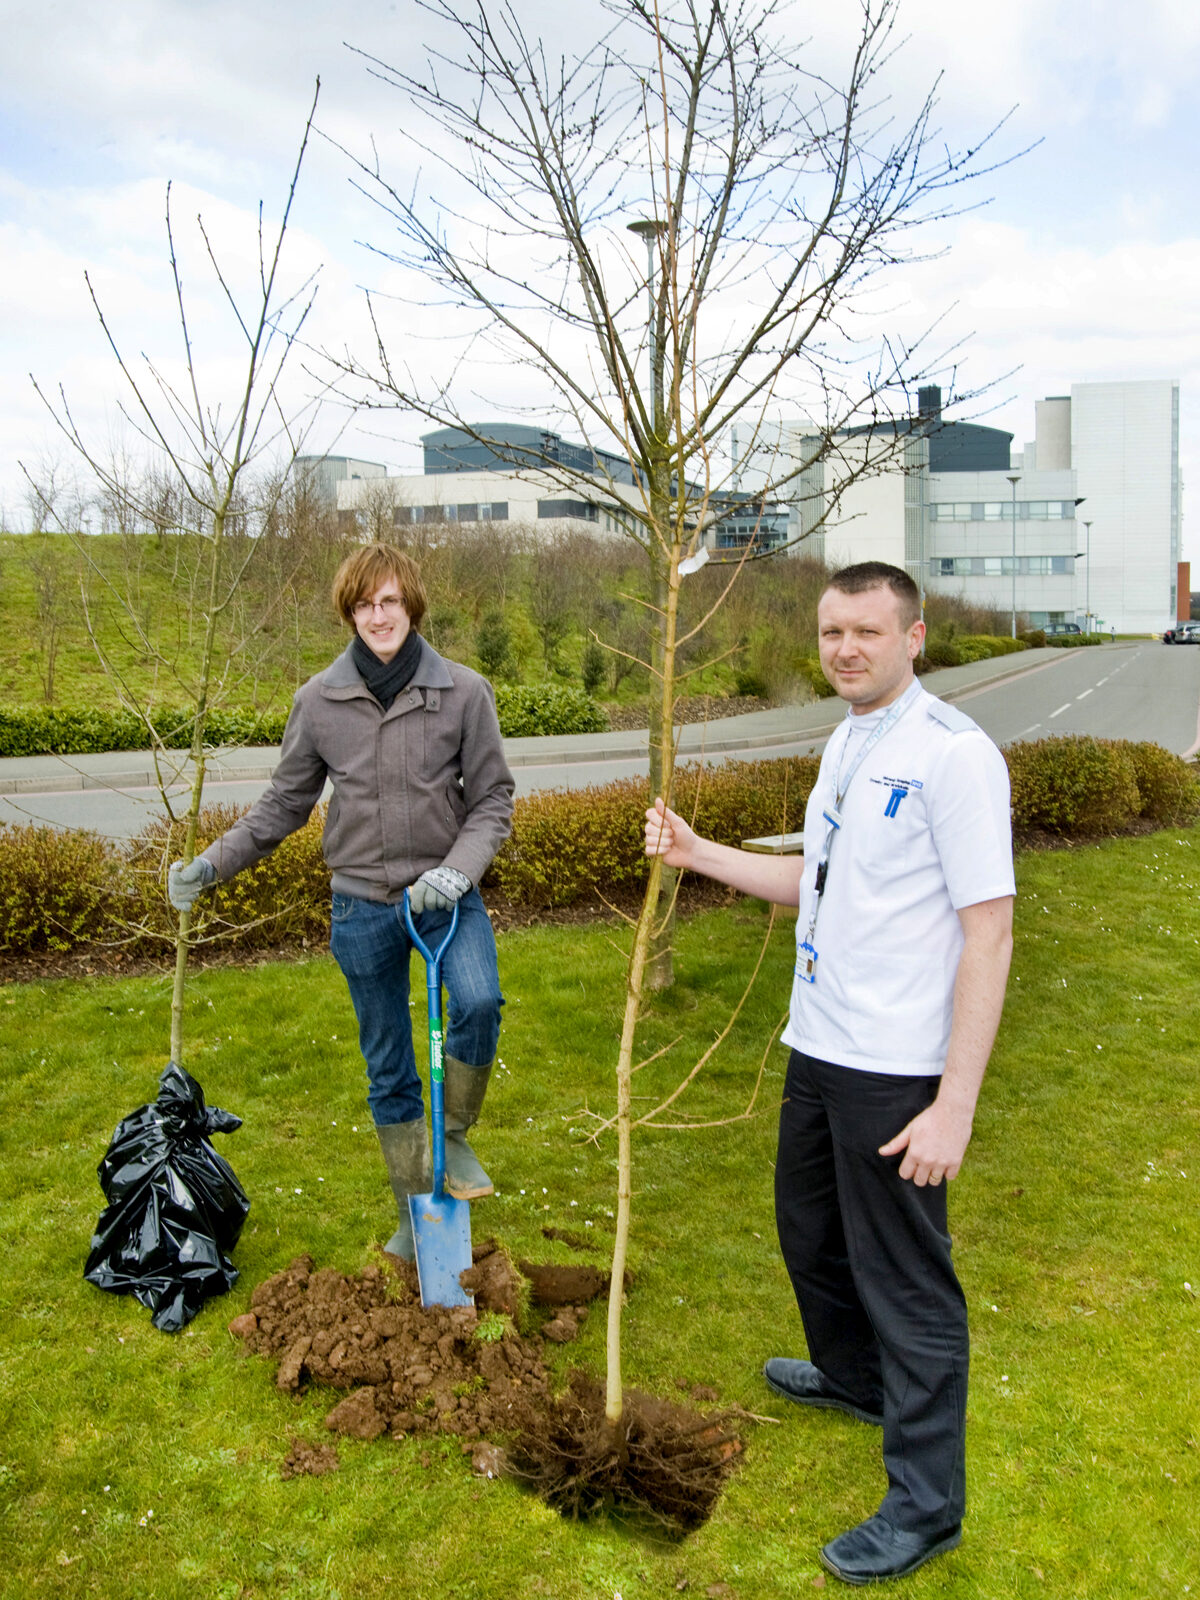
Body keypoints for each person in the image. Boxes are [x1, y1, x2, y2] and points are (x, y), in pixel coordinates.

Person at [644, 561, 1014, 1585]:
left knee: (908, 1283)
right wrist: (696, 852)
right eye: (831, 631)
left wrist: (955, 1103)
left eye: (866, 631)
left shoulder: (954, 756)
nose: (846, 647)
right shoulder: (848, 742)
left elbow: (990, 931)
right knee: (808, 1233)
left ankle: (926, 1507)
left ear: (914, 636)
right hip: (819, 1047)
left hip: (897, 1073)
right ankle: (856, 1381)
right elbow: (810, 888)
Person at [168, 542, 515, 1261]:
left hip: (446, 897)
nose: (378, 615)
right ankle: (413, 1211)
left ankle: (451, 1134)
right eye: (364, 603)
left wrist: (457, 871)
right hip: (362, 909)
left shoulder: (463, 691)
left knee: (479, 1002)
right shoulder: (319, 703)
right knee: (389, 1066)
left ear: (411, 606)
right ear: (349, 612)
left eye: (390, 601)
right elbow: (282, 806)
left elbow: (492, 801)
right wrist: (210, 864)